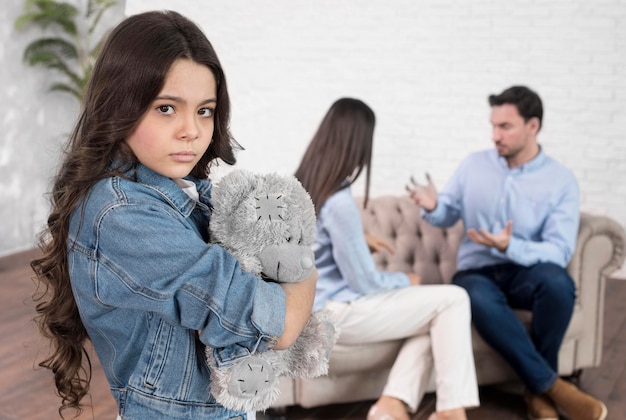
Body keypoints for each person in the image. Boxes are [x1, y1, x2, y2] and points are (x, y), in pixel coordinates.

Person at [29, 10, 317, 420]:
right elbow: (278, 325)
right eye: (167, 108)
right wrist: (305, 272)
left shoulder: (182, 194)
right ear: (120, 106)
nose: (192, 131)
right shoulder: (124, 214)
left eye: (204, 110)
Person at [407, 85, 608, 420]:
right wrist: (433, 207)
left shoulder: (560, 181)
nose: (495, 136)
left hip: (524, 271)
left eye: (505, 127)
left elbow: (558, 251)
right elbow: (448, 213)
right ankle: (549, 387)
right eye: (493, 126)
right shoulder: (473, 165)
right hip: (478, 273)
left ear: (533, 126)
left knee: (558, 285)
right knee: (472, 294)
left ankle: (537, 388)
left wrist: (509, 245)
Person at [294, 98, 480, 420]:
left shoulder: (303, 185)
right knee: (454, 300)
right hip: (336, 313)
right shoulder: (338, 200)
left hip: (313, 306)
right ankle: (451, 411)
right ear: (359, 143)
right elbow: (364, 282)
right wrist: (405, 280)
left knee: (434, 321)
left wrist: (357, 240)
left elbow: (314, 247)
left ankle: (390, 407)